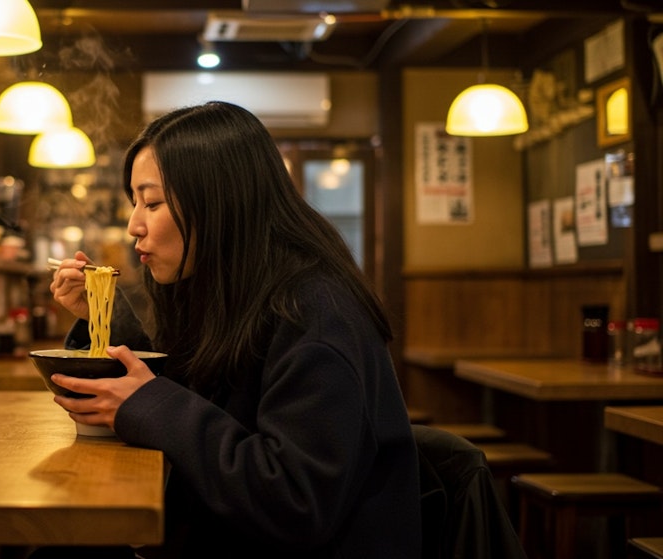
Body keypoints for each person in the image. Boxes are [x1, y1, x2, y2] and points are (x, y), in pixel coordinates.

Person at [45, 101, 421, 558]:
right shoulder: (228, 291)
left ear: (218, 201)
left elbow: (296, 503)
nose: (133, 226)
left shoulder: (317, 314)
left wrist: (153, 404)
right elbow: (191, 395)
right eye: (134, 201)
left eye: (153, 202)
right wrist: (101, 319)